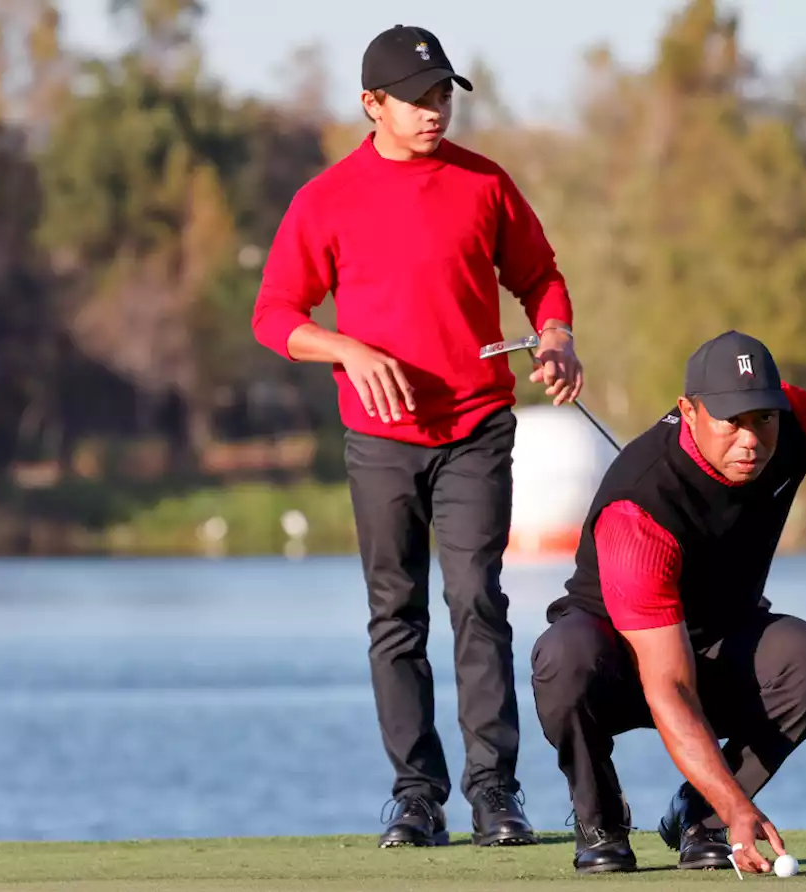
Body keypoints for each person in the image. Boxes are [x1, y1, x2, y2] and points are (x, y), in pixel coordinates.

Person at [251, 24, 584, 849]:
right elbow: (275, 317)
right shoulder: (325, 199)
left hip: (476, 426)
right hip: (379, 439)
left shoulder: (485, 184)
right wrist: (346, 348)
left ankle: (494, 795)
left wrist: (557, 336)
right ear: (372, 105)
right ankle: (415, 797)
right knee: (394, 615)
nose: (435, 110)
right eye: (417, 97)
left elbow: (540, 278)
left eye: (443, 95)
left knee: (477, 601)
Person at [529, 330, 806, 875]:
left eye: (761, 419)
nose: (751, 438)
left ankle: (702, 818)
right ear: (688, 411)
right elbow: (668, 687)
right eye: (732, 421)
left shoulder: (793, 420)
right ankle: (600, 819)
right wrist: (739, 802)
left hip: (721, 642)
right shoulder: (640, 504)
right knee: (563, 659)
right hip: (618, 660)